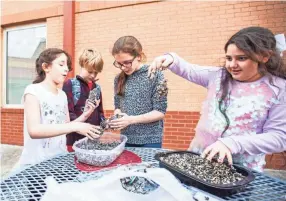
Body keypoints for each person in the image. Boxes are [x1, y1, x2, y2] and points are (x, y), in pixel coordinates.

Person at [148, 27, 286, 171]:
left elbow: (279, 137)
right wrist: (171, 59)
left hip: (241, 170)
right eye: (229, 58)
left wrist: (232, 143)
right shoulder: (218, 76)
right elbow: (189, 70)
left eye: (241, 58)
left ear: (264, 56)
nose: (232, 65)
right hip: (198, 160)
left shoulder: (278, 89)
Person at [17, 48, 101, 168]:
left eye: (67, 65)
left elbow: (66, 126)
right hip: (36, 164)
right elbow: (34, 130)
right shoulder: (32, 91)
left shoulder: (62, 95)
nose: (66, 69)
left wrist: (86, 114)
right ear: (46, 67)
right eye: (61, 64)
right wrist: (75, 126)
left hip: (58, 160)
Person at [108, 36, 168, 148]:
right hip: (126, 138)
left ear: (139, 56)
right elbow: (118, 106)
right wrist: (117, 117)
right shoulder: (118, 79)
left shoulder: (155, 74)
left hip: (150, 140)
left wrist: (130, 120)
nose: (123, 68)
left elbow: (160, 112)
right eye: (119, 64)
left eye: (127, 62)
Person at [63, 48, 105, 149]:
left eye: (96, 73)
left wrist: (104, 124)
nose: (93, 75)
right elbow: (68, 114)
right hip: (74, 140)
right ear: (82, 65)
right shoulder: (70, 84)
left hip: (93, 139)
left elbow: (100, 112)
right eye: (90, 71)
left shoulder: (97, 87)